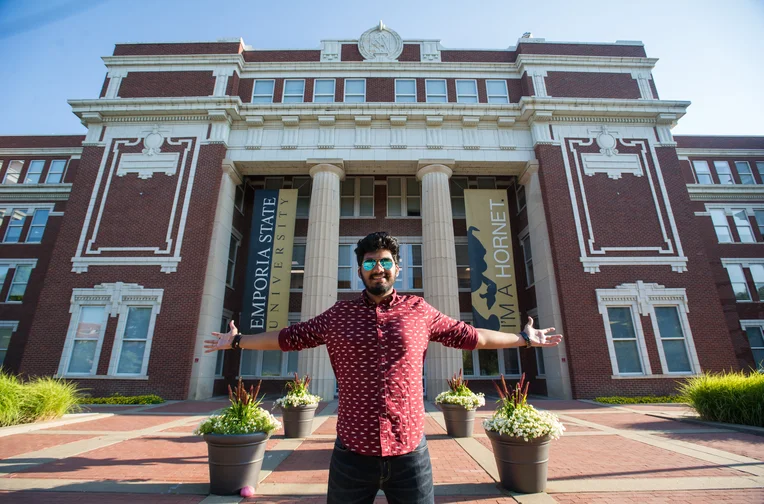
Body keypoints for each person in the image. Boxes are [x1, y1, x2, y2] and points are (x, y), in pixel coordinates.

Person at [205, 231, 563, 504]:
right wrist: (238, 341)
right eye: (371, 261)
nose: (379, 267)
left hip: (410, 452)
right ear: (359, 268)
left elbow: (471, 337)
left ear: (397, 267)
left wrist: (522, 338)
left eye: (386, 261)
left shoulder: (419, 310)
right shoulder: (338, 315)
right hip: (352, 453)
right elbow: (288, 337)